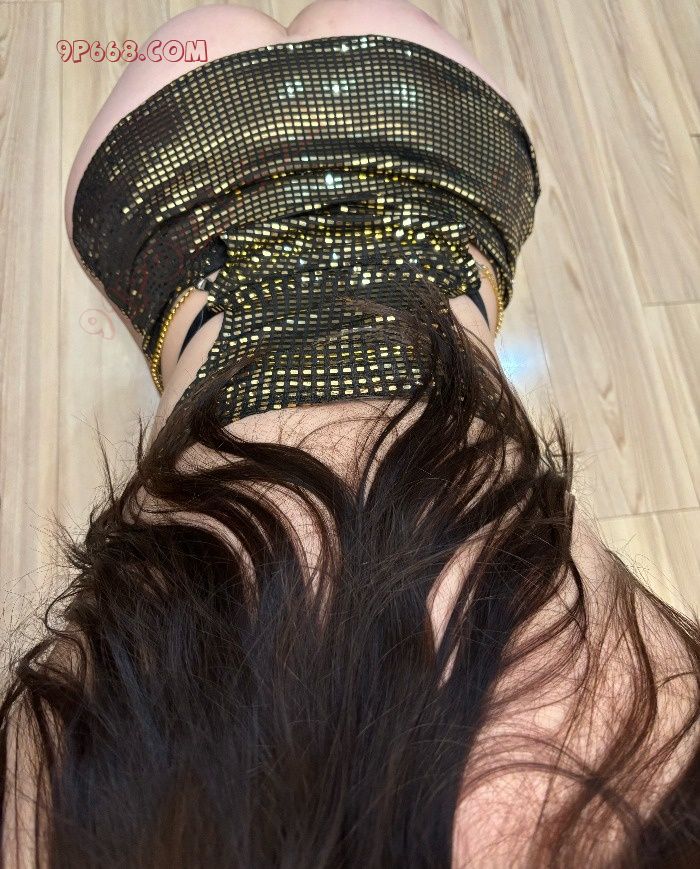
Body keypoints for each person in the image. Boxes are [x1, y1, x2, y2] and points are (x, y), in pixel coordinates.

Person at [2, 2, 698, 866]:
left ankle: (192, 363)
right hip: (422, 238)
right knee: (352, 17)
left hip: (202, 255)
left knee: (218, 33)